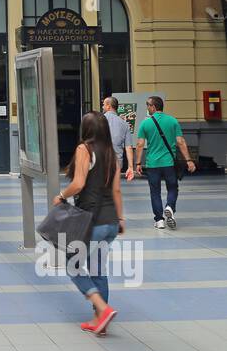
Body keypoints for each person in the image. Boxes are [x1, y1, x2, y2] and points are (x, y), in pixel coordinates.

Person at [53, 111, 125, 336]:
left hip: (91, 220)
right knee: (98, 270)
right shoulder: (112, 154)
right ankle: (99, 321)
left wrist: (61, 196)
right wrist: (120, 219)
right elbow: (116, 190)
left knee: (72, 265)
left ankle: (102, 309)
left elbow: (79, 183)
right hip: (111, 221)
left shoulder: (85, 149)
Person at [135, 95, 196, 229]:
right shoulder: (173, 121)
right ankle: (169, 206)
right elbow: (180, 141)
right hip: (169, 163)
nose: (147, 108)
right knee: (173, 188)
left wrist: (138, 163)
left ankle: (159, 220)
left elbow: (140, 144)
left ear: (153, 107)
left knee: (155, 191)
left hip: (153, 164)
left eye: (148, 105)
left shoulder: (145, 123)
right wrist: (189, 160)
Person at [102, 96, 135, 182]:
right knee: (114, 188)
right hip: (116, 163)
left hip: (100, 160)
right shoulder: (124, 124)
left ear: (108, 106)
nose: (102, 107)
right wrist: (130, 167)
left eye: (103, 105)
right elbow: (128, 147)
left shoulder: (99, 120)